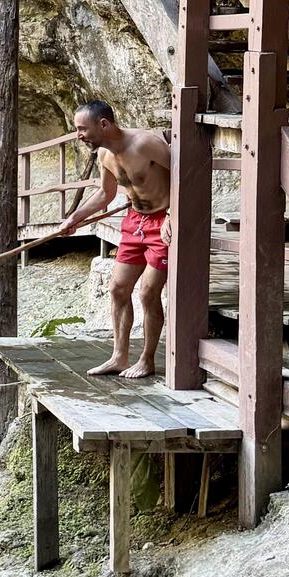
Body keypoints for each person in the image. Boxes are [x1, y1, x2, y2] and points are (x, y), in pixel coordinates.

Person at [54, 98, 172, 379]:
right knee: (118, 288)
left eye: (82, 129)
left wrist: (173, 214)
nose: (79, 135)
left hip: (163, 220)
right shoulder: (104, 155)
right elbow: (105, 194)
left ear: (104, 124)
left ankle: (147, 360)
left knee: (147, 292)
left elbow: (185, 175)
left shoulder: (145, 144)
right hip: (135, 221)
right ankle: (119, 357)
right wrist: (74, 218)